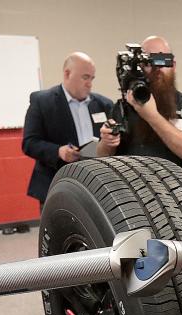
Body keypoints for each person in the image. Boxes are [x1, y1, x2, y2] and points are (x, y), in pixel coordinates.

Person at [97, 36, 182, 176]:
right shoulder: (124, 106)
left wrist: (152, 116)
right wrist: (107, 143)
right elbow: (102, 156)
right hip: (131, 193)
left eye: (163, 61)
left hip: (175, 193)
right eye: (149, 62)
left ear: (173, 65)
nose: (158, 68)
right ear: (141, 67)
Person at [22, 52, 114, 208]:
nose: (90, 84)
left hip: (95, 184)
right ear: (67, 74)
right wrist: (59, 151)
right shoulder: (42, 101)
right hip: (57, 184)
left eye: (92, 78)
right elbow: (29, 143)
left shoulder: (103, 104)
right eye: (85, 77)